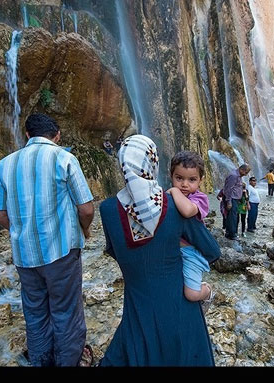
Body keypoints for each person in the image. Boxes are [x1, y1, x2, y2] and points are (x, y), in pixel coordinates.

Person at [99, 135, 221, 366]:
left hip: (137, 304)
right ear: (152, 163)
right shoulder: (175, 205)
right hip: (178, 305)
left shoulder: (106, 209)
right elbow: (212, 251)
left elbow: (115, 251)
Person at [0, 114, 95, 367]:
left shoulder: (6, 164)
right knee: (66, 311)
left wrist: (20, 231)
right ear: (57, 135)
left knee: (35, 312)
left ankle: (40, 361)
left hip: (25, 256)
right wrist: (84, 231)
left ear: (27, 134)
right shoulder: (64, 158)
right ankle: (68, 362)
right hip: (61, 251)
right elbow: (87, 208)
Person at [166, 150, 215, 310]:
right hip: (175, 251)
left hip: (192, 253)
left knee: (191, 294)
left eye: (192, 180)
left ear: (201, 180)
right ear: (171, 176)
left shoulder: (199, 198)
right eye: (179, 178)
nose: (184, 184)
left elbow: (187, 211)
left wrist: (173, 191)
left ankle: (207, 292)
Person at [223, 164, 251, 240]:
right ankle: (232, 234)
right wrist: (229, 201)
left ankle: (229, 233)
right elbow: (228, 189)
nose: (246, 174)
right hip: (232, 199)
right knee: (233, 217)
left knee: (232, 216)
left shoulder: (238, 176)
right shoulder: (234, 176)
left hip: (235, 199)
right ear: (242, 170)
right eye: (246, 172)